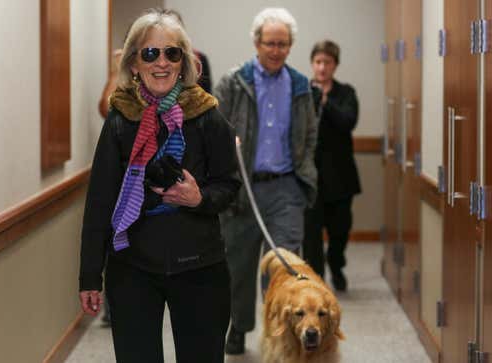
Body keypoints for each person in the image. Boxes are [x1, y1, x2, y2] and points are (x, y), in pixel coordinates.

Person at [79, 9, 241, 363]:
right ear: (134, 63)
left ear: (184, 62)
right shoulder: (121, 118)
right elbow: (100, 202)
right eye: (150, 53)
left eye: (172, 53)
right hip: (133, 268)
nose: (161, 62)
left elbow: (230, 187)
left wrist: (199, 198)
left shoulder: (207, 116)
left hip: (200, 267)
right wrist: (90, 275)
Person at [214, 7, 318, 355]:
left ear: (291, 46)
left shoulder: (301, 85)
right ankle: (239, 327)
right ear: (257, 43)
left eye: (283, 44)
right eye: (270, 43)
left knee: (284, 267)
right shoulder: (233, 82)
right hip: (242, 188)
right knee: (238, 266)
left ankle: (280, 333)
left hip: (287, 188)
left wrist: (304, 176)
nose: (276, 50)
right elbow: (214, 131)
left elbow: (311, 135)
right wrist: (230, 151)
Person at [302, 40, 361, 292]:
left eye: (327, 62)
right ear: (312, 64)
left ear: (335, 65)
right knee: (311, 234)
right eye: (318, 62)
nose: (322, 67)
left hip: (340, 176)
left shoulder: (346, 93)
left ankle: (336, 264)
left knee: (340, 230)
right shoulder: (301, 91)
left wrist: (325, 100)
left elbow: (348, 122)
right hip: (310, 177)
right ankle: (316, 279)